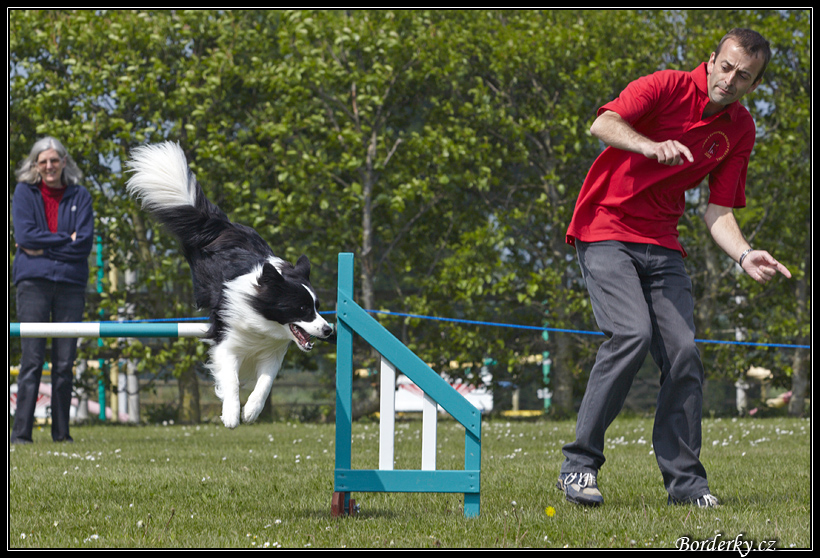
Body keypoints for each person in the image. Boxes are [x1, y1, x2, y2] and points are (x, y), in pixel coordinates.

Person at [559, 29, 791, 508]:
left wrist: (746, 255)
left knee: (684, 352)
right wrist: (648, 145)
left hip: (662, 241)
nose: (730, 79)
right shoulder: (666, 85)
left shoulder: (740, 129)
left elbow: (718, 210)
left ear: (753, 84)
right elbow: (602, 124)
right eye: (725, 66)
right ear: (711, 60)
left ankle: (686, 486)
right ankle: (578, 467)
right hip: (605, 226)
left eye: (743, 75)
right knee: (630, 335)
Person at [10, 137, 94, 444]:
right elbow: (24, 236)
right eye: (43, 161)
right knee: (31, 360)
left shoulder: (80, 195)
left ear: (63, 162)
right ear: (35, 165)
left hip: (70, 285)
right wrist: (64, 239)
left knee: (64, 362)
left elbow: (82, 243)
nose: (49, 166)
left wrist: (41, 249)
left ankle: (62, 434)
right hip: (32, 285)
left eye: (54, 160)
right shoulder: (23, 192)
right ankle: (20, 435)